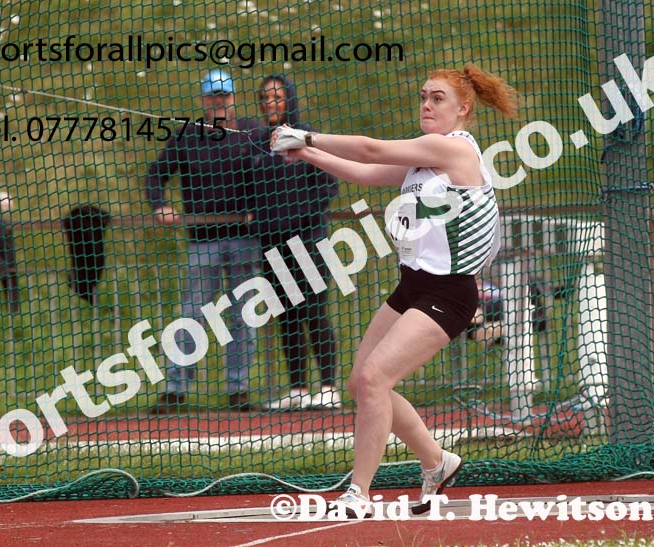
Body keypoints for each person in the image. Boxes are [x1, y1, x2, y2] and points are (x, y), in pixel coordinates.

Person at [270, 64, 518, 514]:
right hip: (412, 287)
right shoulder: (424, 158)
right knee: (361, 383)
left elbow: (369, 147)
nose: (426, 104)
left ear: (463, 109)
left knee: (374, 378)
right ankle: (437, 461)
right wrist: (306, 154)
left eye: (437, 98)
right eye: (423, 96)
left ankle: (359, 493)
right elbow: (364, 170)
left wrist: (306, 136)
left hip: (450, 294)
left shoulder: (454, 151)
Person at [145, 69, 261, 412]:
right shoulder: (187, 135)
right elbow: (156, 174)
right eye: (212, 97)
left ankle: (238, 390)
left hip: (245, 240)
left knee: (242, 317)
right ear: (203, 100)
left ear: (233, 99)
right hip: (201, 242)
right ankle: (175, 389)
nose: (218, 103)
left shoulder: (252, 132)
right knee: (191, 316)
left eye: (224, 97)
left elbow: (272, 172)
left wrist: (262, 209)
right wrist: (160, 205)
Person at [253, 75, 341, 410]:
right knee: (286, 314)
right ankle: (298, 388)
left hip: (308, 240)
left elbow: (328, 187)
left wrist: (300, 220)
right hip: (271, 243)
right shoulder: (259, 142)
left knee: (314, 311)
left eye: (276, 97)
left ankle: (329, 387)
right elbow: (251, 189)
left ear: (289, 98)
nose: (270, 103)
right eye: (264, 98)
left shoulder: (305, 138)